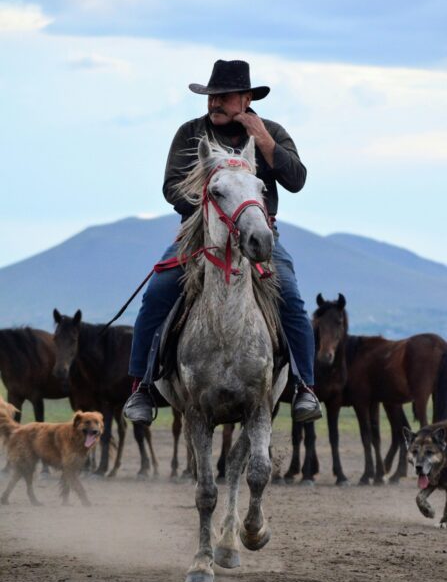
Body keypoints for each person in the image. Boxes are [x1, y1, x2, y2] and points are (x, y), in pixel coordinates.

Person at [124, 59, 322, 425]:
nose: (214, 103)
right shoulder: (190, 133)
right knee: (157, 293)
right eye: (211, 96)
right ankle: (142, 387)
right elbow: (171, 187)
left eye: (224, 97)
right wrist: (210, 210)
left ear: (245, 100)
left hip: (260, 235)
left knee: (291, 298)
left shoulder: (272, 131)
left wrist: (261, 138)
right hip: (199, 234)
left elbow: (296, 179)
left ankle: (304, 387)